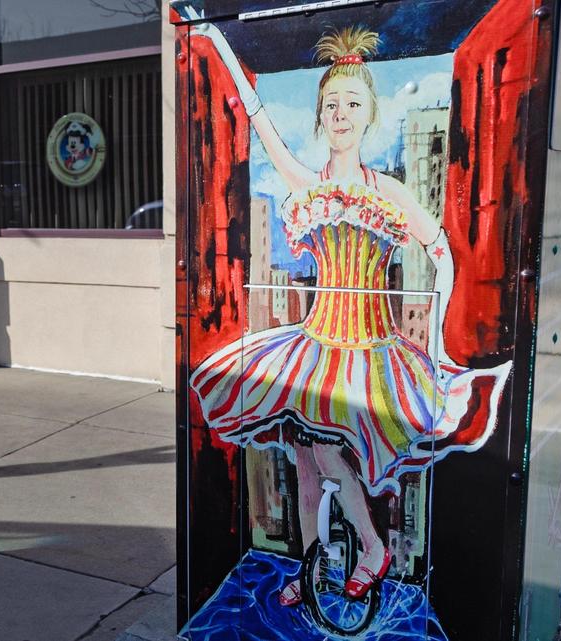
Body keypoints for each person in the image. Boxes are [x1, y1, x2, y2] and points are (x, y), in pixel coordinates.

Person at [188, 25, 513, 605]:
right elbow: (260, 123)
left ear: (370, 115)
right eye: (331, 104)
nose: (340, 113)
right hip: (315, 346)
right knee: (305, 467)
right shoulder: (308, 185)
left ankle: (370, 545)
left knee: (328, 452)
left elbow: (440, 251)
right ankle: (315, 568)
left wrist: (435, 340)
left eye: (352, 103)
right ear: (320, 116)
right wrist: (213, 36)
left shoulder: (388, 190)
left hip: (368, 352)